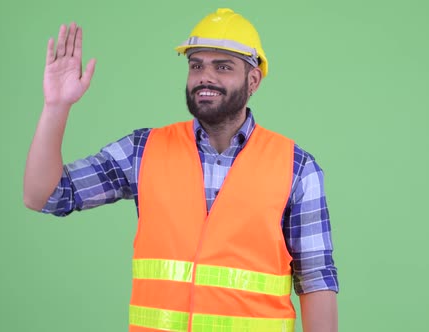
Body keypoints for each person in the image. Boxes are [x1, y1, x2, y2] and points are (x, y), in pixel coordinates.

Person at [24, 8, 338, 332]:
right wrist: (56, 106)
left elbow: (316, 278)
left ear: (253, 79)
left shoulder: (297, 168)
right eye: (196, 65)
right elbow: (45, 194)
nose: (205, 76)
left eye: (223, 67)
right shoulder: (142, 151)